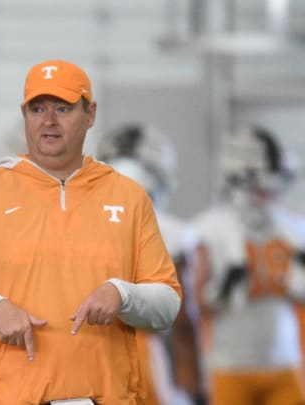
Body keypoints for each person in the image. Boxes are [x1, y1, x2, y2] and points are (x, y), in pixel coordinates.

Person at [0, 59, 182, 405]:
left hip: (106, 397)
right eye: (37, 108)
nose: (49, 121)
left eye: (63, 108)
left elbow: (167, 304)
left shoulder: (128, 196)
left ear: (90, 115)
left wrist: (123, 295)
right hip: (7, 397)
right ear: (24, 114)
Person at [193, 126, 305, 405]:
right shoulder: (209, 229)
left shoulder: (293, 227)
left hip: (284, 362)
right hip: (230, 364)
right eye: (262, 181)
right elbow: (193, 303)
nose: (272, 188)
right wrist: (223, 290)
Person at [96, 125, 207, 405]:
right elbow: (182, 323)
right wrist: (194, 384)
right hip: (143, 353)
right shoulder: (173, 234)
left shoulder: (72, 225)